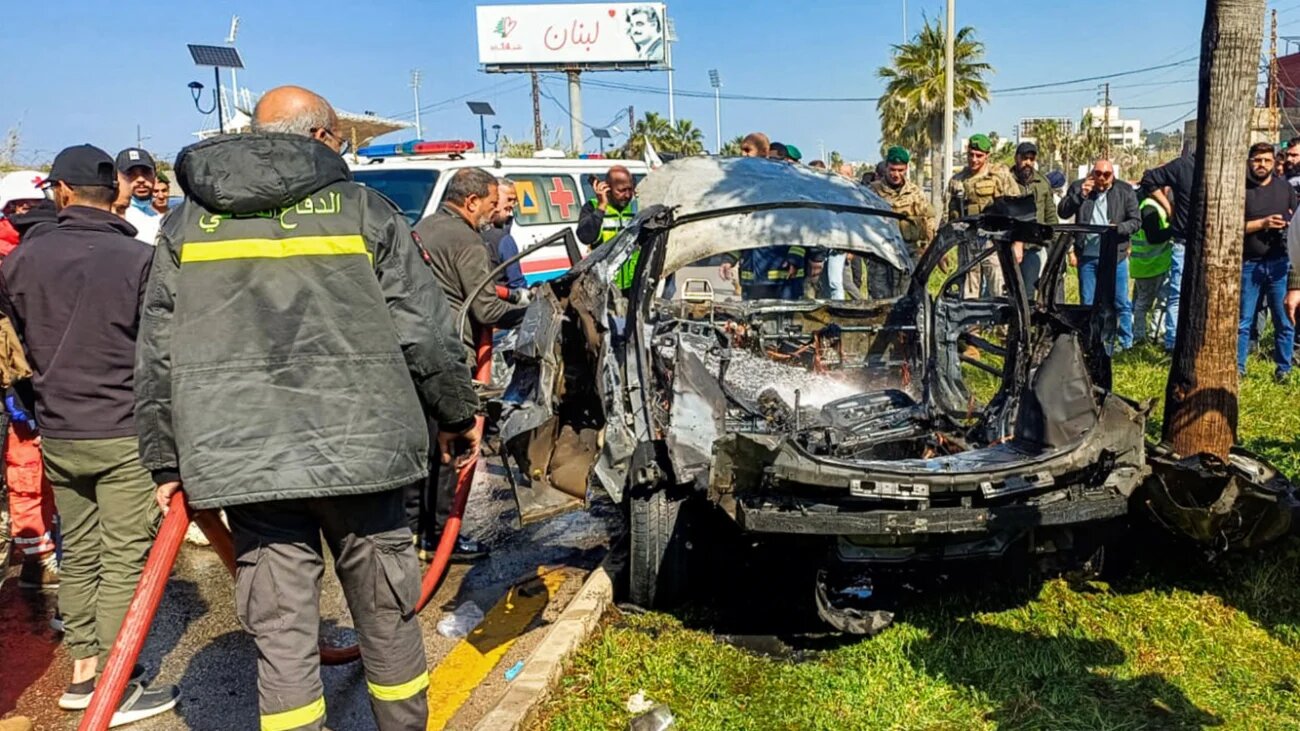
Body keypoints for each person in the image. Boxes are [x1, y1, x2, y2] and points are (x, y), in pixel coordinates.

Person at [137, 86, 480, 731]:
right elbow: (426, 333)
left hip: (246, 461)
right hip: (365, 453)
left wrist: (164, 460)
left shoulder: (186, 223)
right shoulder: (362, 211)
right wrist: (458, 416)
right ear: (324, 138)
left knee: (282, 635)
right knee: (386, 617)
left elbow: (157, 352)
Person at [0, 144, 178, 725]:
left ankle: (83, 670)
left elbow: (15, 351)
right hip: (124, 431)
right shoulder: (138, 260)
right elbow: (162, 353)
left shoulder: (20, 261)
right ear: (114, 193)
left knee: (81, 552)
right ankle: (113, 682)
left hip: (58, 429)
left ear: (62, 192)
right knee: (124, 559)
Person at [413, 168, 524, 562]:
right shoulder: (467, 240)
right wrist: (527, 307)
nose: (495, 211)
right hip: (450, 356)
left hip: (415, 351)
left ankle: (417, 534)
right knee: (452, 446)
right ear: (471, 201)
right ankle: (443, 538)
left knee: (424, 448)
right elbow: (484, 307)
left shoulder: (424, 227)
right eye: (492, 203)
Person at [1058, 158, 1141, 352]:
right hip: (1087, 255)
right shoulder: (1080, 187)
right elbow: (1063, 212)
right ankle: (1091, 343)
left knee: (1120, 301)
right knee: (1088, 302)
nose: (1102, 178)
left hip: (1115, 255)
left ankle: (1125, 343)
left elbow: (1136, 221)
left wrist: (1118, 229)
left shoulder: (1124, 190)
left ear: (1113, 175)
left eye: (1107, 174)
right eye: (1098, 174)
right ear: (1091, 173)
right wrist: (1081, 195)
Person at [1238, 142, 1296, 381]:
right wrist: (1261, 224)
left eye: (1266, 160)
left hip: (1280, 262)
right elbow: (1230, 228)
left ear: (1275, 162)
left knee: (1284, 320)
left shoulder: (1285, 190)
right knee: (1243, 322)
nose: (1261, 165)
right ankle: (1238, 369)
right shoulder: (1241, 189)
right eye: (1257, 160)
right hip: (1249, 263)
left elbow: (1296, 221)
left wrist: (1289, 227)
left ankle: (1284, 370)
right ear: (1250, 161)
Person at [946, 133, 1020, 300]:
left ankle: (1001, 326)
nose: (974, 159)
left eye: (979, 156)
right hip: (968, 242)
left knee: (999, 289)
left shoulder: (999, 175)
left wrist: (1017, 243)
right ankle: (971, 326)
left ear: (987, 156)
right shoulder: (958, 180)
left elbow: (1017, 209)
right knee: (968, 293)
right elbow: (950, 214)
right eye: (970, 155)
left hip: (994, 242)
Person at [1139, 151, 1195, 351]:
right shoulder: (1183, 165)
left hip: (1212, 245)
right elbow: (1149, 179)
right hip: (1183, 240)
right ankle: (1172, 342)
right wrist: (1169, 207)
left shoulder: (1224, 161)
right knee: (1177, 294)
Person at [870, 146, 935, 298]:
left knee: (908, 298)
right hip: (881, 254)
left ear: (906, 168)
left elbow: (928, 220)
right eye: (892, 169)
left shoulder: (915, 193)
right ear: (886, 167)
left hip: (909, 254)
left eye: (900, 170)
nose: (896, 174)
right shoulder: (872, 192)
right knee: (880, 301)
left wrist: (927, 247)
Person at [1009, 142, 1060, 296]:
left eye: (1031, 159)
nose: (1028, 163)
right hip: (1008, 247)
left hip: (1034, 248)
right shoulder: (1006, 179)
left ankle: (1027, 320)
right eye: (1024, 158)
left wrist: (1056, 245)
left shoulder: (1042, 182)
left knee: (1029, 292)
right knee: (1008, 290)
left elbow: (1050, 215)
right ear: (1016, 158)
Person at [577, 165, 639, 290]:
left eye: (630, 189)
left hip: (634, 284)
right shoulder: (592, 207)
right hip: (603, 286)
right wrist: (601, 207)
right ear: (607, 189)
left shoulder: (637, 207)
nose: (627, 195)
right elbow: (585, 236)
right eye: (621, 190)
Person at [1129, 189, 1174, 344]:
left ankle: (1154, 334)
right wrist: (1174, 229)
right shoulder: (1150, 209)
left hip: (1148, 265)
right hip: (1151, 266)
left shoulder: (1145, 205)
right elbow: (1154, 237)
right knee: (1144, 304)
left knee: (1154, 302)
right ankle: (1140, 336)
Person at [115, 148, 161, 245]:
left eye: (146, 172)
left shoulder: (162, 217)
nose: (140, 179)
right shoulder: (114, 216)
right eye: (130, 173)